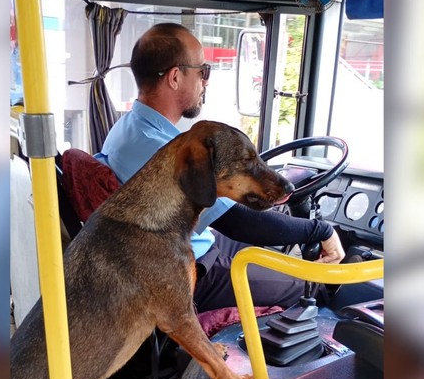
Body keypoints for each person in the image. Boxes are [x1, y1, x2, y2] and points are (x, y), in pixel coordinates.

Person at [96, 23, 345, 312]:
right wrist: (320, 230)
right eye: (203, 71)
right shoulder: (155, 148)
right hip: (191, 269)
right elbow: (238, 223)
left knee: (270, 252)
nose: (206, 81)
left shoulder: (135, 129)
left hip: (197, 243)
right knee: (307, 286)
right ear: (175, 77)